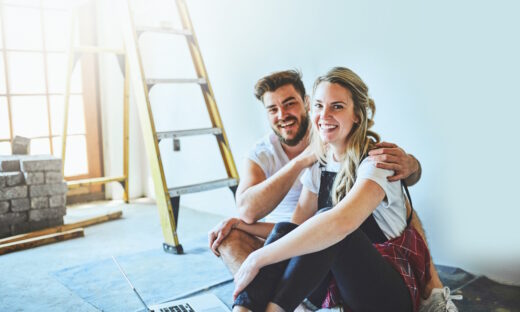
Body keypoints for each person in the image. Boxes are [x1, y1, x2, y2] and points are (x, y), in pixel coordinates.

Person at [208, 70, 455, 311]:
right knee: (287, 230)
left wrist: (257, 258)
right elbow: (296, 232)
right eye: (319, 106)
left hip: (389, 293)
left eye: (337, 106)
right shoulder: (318, 166)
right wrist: (240, 225)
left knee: (330, 223)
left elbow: (340, 224)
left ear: (357, 115)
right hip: (340, 287)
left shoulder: (378, 162)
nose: (324, 115)